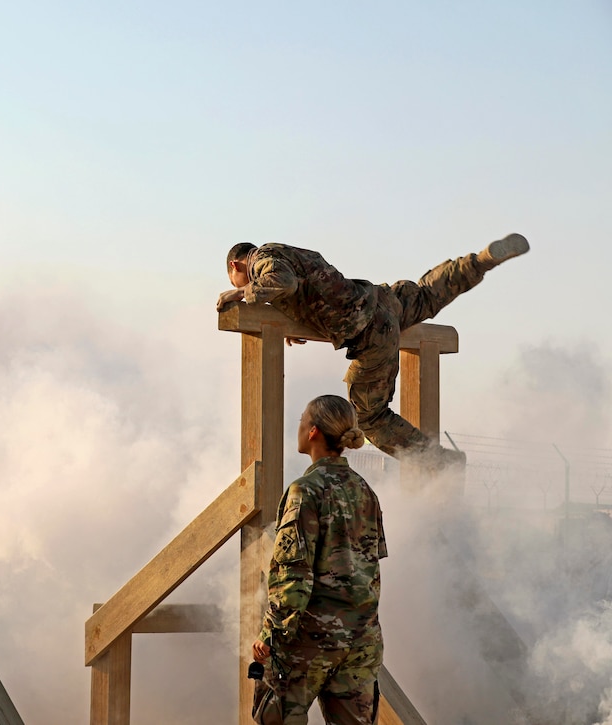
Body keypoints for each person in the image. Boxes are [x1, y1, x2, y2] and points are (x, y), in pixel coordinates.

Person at [217, 234, 529, 467]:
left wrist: (239, 293)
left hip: (369, 333)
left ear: (236, 265)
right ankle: (480, 261)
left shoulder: (260, 261)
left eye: (236, 277)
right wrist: (287, 322)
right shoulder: (288, 252)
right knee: (428, 294)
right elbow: (309, 290)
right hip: (380, 302)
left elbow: (280, 282)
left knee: (368, 416)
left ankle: (436, 459)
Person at [251, 395, 387, 725]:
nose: (297, 427)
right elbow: (371, 565)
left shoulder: (305, 490)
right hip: (360, 642)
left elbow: (292, 575)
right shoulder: (364, 489)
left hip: (308, 643)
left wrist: (270, 635)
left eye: (301, 420)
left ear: (313, 431)